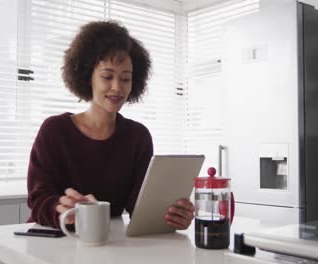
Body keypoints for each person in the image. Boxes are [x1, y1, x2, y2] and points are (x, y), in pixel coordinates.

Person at [26, 21, 194, 230]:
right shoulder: (55, 130)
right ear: (88, 77)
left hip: (106, 240)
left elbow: (138, 208)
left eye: (125, 78)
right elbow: (38, 199)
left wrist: (173, 215)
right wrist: (64, 209)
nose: (117, 87)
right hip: (54, 237)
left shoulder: (137, 137)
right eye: (107, 76)